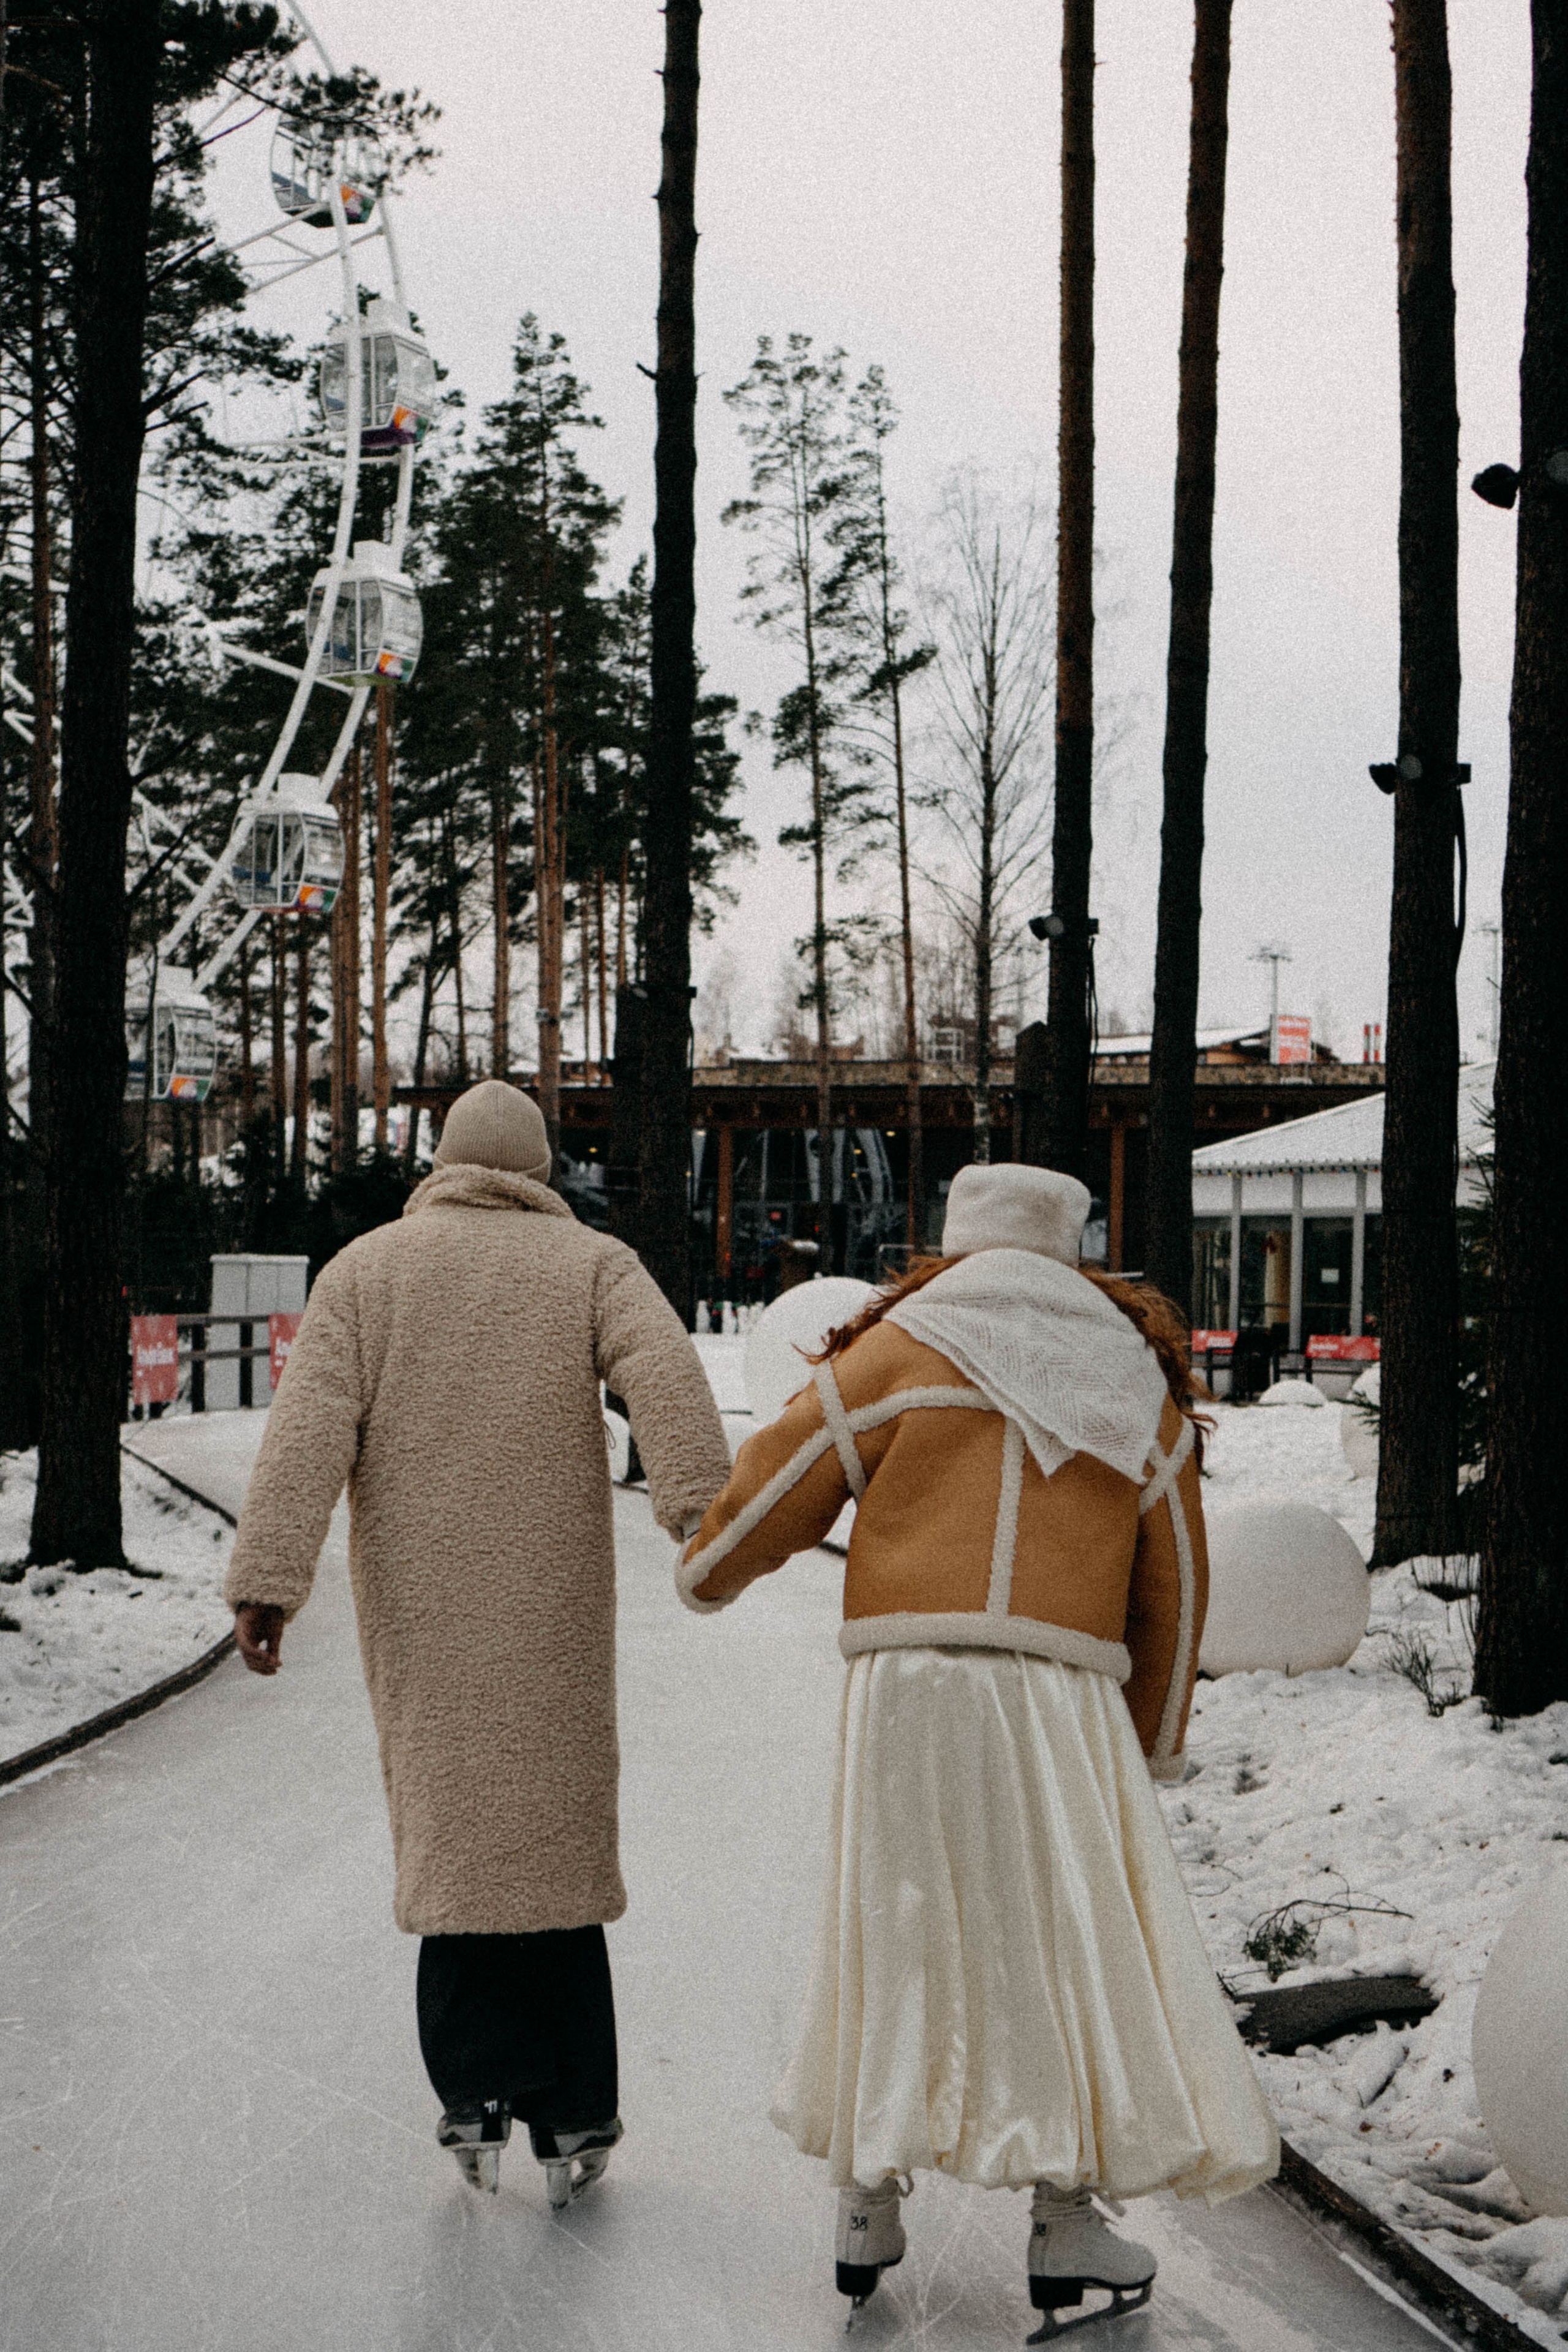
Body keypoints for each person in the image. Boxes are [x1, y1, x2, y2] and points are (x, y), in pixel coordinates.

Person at [676, 1163, 1278, 2334]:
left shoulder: (898, 1348)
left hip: (910, 1679)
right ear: (1071, 1249)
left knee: (894, 1924)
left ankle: (866, 2200)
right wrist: (1153, 1741)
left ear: (951, 1243)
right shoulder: (1129, 1377)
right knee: (1060, 1945)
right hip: (1061, 1689)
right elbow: (1178, 1584)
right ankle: (1064, 2219)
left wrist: (708, 1566)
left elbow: (780, 1481)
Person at [225, 1079, 731, 2206]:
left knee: (454, 1839)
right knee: (551, 1837)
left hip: (418, 1596)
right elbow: (667, 1373)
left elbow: (305, 1432)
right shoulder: (592, 1265)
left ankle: (471, 2097)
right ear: (541, 1169)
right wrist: (702, 1513)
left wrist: (269, 1583)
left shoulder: (366, 1271)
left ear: (443, 1162)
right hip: (551, 1593)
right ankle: (575, 2109)